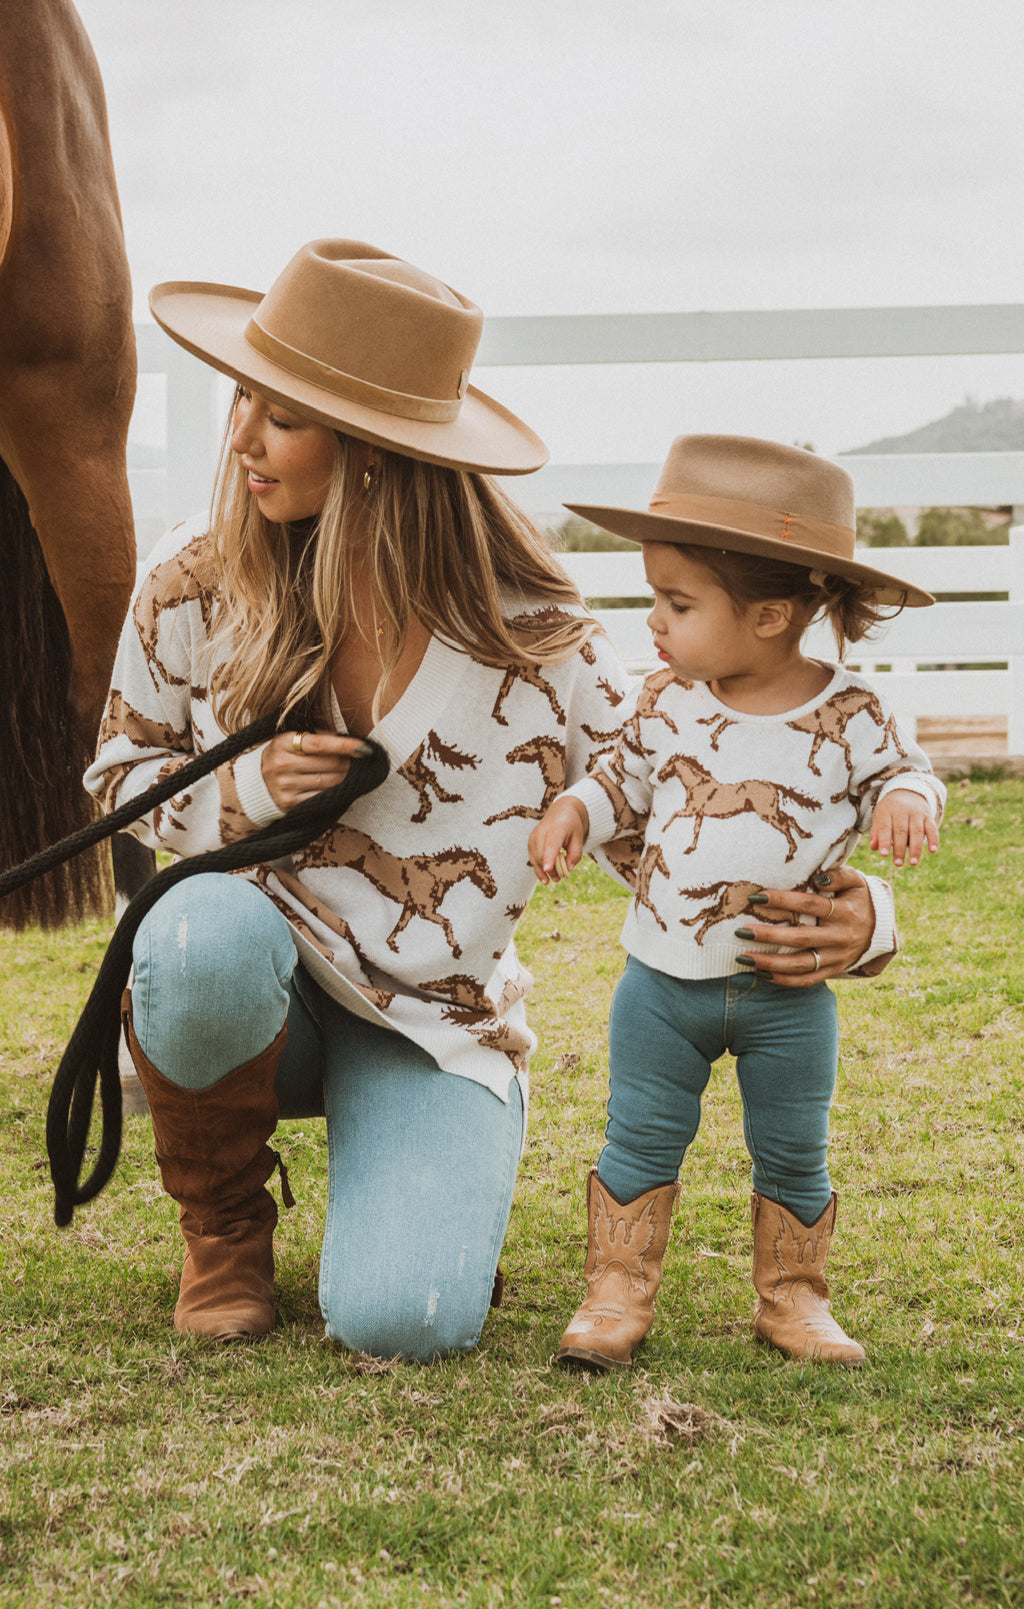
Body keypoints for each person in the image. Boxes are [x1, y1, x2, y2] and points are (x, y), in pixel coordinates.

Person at [86, 246, 887, 1363]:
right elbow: (120, 783)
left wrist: (859, 920)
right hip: (249, 981)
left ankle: (434, 1213)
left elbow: (680, 819)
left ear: (375, 454)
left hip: (432, 1021)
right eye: (243, 403)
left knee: (402, 1320)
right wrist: (244, 790)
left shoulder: (536, 645)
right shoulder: (196, 575)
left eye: (282, 418)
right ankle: (224, 1230)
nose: (241, 438)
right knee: (198, 934)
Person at [528, 434, 945, 1370]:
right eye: (652, 598)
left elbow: (904, 773)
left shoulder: (850, 715)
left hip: (787, 993)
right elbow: (619, 779)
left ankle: (794, 1297)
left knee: (795, 1146)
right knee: (638, 1132)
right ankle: (615, 1289)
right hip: (659, 987)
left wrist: (911, 799)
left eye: (676, 603)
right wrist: (574, 808)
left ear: (768, 615)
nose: (654, 623)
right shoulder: (667, 699)